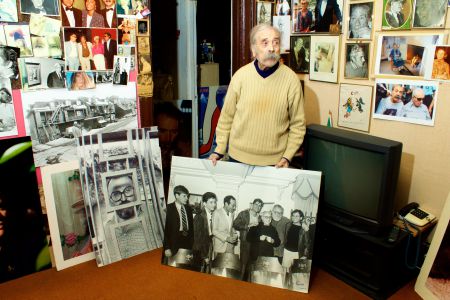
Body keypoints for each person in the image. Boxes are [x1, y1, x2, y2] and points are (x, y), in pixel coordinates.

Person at [209, 24, 305, 168]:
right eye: (265, 43)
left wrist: (288, 156)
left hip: (275, 163)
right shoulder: (240, 76)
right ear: (253, 50)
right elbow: (226, 118)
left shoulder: (291, 80)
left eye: (276, 42)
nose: (271, 48)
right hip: (238, 158)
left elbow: (298, 125)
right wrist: (219, 150)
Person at [105, 175, 149, 261]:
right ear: (110, 199)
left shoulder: (152, 213)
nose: (124, 198)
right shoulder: (108, 228)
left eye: (128, 190)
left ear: (135, 191)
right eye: (116, 194)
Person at [233, 198, 264, 280]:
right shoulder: (244, 214)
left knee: (252, 264)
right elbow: (235, 224)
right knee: (243, 263)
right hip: (245, 242)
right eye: (256, 204)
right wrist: (247, 226)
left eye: (260, 206)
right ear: (252, 205)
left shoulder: (260, 217)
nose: (258, 207)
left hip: (255, 244)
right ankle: (239, 282)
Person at [163, 185, 194, 259]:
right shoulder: (168, 209)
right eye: (184, 196)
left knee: (185, 263)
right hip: (173, 243)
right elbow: (164, 230)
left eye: (187, 196)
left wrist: (192, 245)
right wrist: (166, 247)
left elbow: (191, 229)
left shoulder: (189, 209)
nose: (187, 198)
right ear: (177, 195)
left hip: (187, 243)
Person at [193, 192, 217, 272]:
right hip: (200, 250)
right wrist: (204, 256)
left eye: (214, 202)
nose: (214, 204)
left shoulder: (211, 215)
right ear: (204, 203)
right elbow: (197, 239)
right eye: (211, 202)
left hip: (208, 246)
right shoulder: (199, 216)